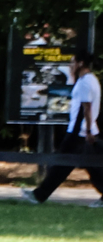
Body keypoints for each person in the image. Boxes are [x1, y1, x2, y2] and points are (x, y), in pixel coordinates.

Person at [31, 52, 102, 203]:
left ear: (80, 63)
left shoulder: (85, 82)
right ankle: (40, 194)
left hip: (79, 131)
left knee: (61, 163)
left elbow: (87, 108)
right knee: (92, 167)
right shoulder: (89, 80)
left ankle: (39, 195)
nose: (70, 66)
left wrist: (87, 131)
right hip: (84, 130)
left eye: (72, 62)